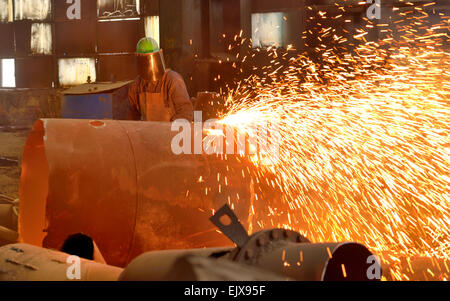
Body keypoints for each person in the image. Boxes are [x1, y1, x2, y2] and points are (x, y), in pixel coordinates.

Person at [128, 37, 194, 122]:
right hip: (147, 133)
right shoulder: (136, 85)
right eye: (144, 61)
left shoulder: (173, 80)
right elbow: (131, 116)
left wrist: (169, 130)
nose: (148, 66)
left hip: (170, 133)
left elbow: (186, 112)